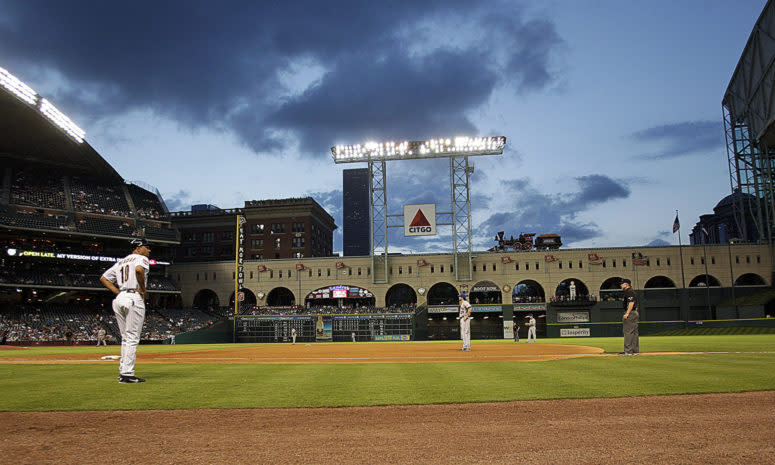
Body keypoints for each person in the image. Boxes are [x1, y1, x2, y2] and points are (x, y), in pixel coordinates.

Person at [100, 238, 151, 383]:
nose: (148, 250)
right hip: (133, 297)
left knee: (126, 338)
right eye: (146, 247)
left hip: (121, 297)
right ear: (138, 248)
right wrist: (143, 289)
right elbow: (139, 270)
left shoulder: (121, 262)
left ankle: (123, 372)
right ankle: (127, 373)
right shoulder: (141, 258)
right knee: (132, 337)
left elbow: (104, 278)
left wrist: (118, 292)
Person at [619, 278, 639, 355]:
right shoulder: (632, 292)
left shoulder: (629, 292)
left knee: (628, 332)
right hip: (634, 312)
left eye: (622, 283)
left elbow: (631, 303)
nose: (621, 285)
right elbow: (636, 304)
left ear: (626, 284)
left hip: (630, 313)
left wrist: (627, 313)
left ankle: (628, 351)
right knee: (634, 333)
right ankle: (635, 351)